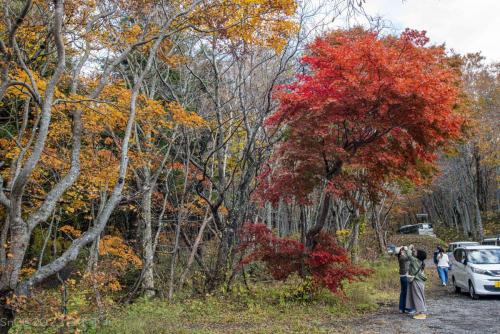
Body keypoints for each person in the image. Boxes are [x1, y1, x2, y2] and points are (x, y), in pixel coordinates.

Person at [405, 245, 427, 320]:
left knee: (418, 297)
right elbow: (412, 254)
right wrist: (413, 249)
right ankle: (420, 312)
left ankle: (421, 313)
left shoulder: (415, 261)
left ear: (418, 255)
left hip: (417, 282)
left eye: (416, 252)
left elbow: (408, 255)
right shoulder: (420, 261)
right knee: (419, 296)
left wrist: (409, 247)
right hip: (420, 282)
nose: (415, 252)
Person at [396, 246, 411, 314]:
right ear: (401, 251)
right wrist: (408, 249)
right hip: (405, 276)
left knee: (403, 292)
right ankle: (406, 308)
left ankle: (401, 308)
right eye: (402, 250)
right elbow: (409, 257)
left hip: (403, 276)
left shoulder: (400, 257)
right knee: (407, 292)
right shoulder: (402, 257)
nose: (404, 251)